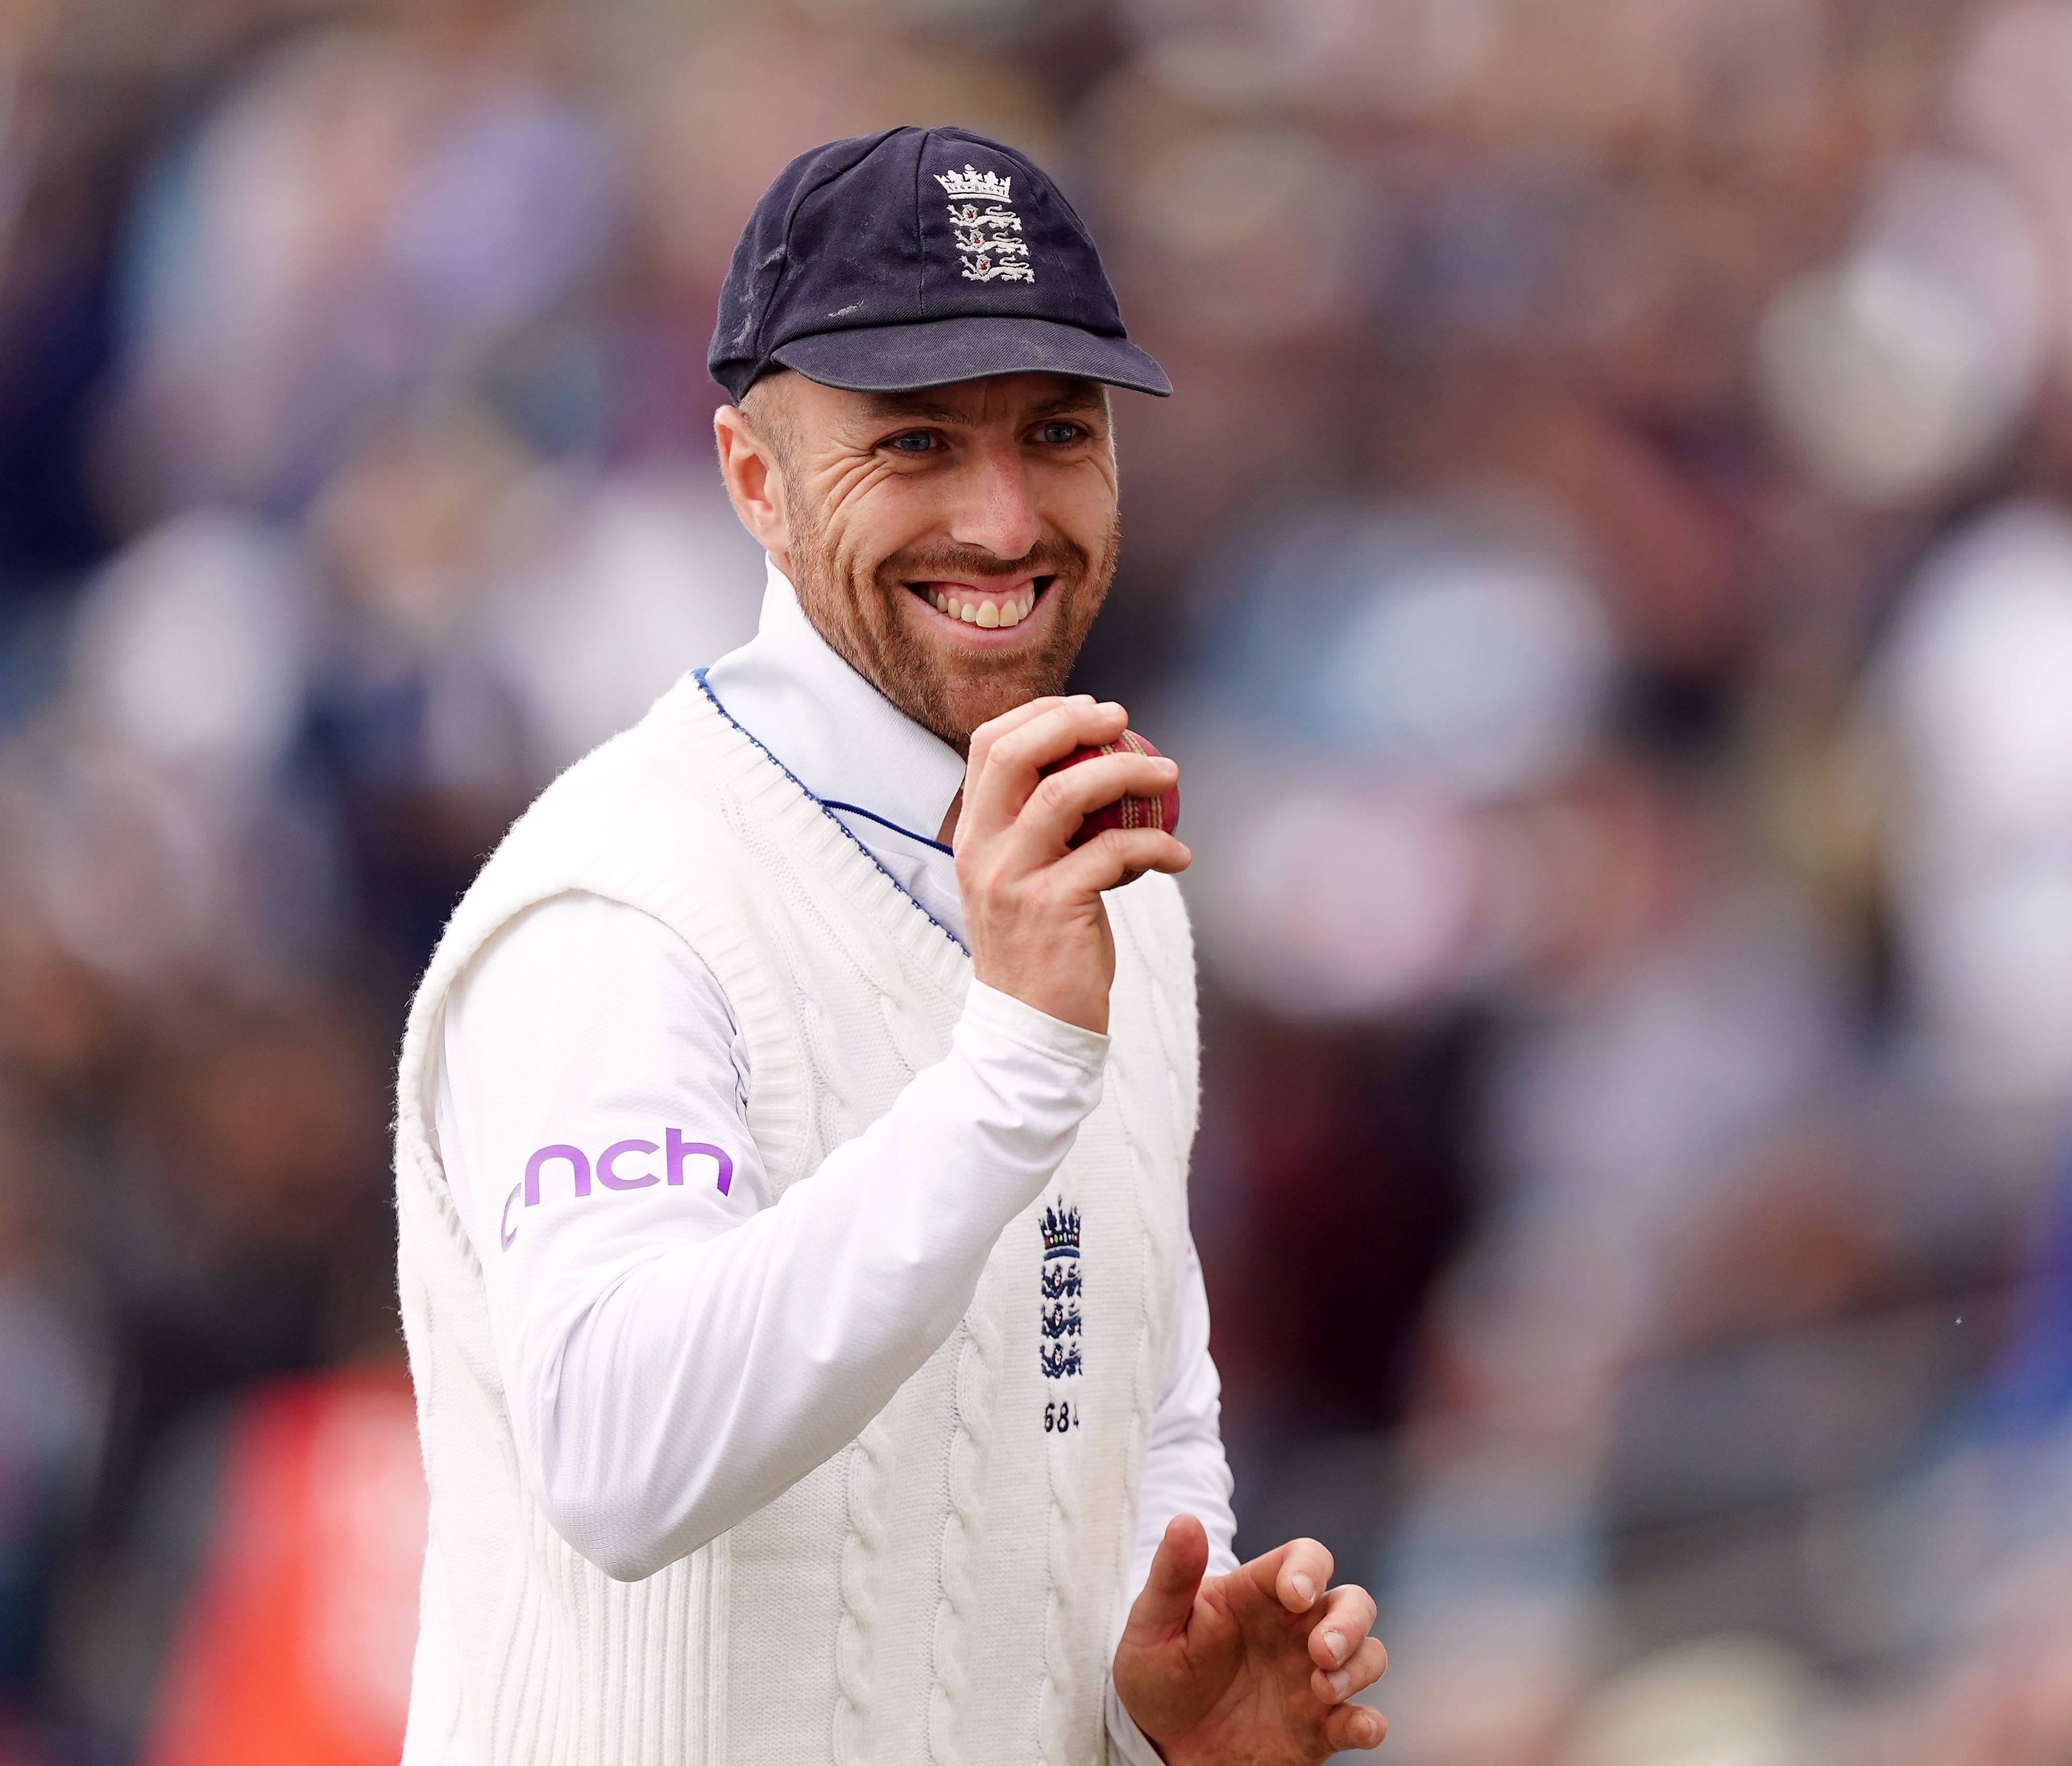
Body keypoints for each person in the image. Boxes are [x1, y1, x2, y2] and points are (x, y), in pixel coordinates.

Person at [392, 125, 1389, 1764]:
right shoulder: (619, 897)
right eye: (915, 443)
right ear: (751, 480)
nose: (1002, 522)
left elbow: (1126, 1397)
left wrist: (1153, 1705)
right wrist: (1012, 1058)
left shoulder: (1112, 875)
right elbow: (619, 1460)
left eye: (1055, 434)